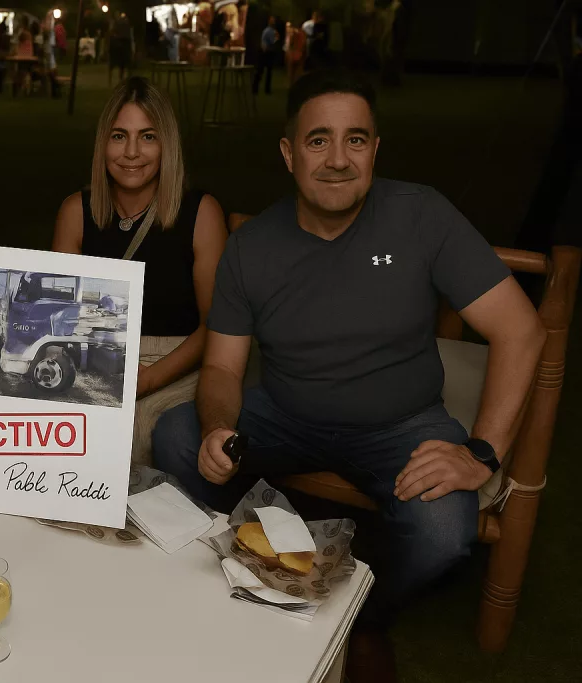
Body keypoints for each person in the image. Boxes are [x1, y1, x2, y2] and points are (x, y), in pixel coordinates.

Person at [151, 70, 546, 683]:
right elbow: (224, 367)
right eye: (318, 141)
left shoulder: (422, 215)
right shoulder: (252, 246)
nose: (338, 159)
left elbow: (521, 330)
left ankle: (362, 615)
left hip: (400, 424)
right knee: (177, 435)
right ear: (288, 153)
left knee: (444, 530)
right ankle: (257, 564)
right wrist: (218, 426)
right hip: (283, 412)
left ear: (375, 149)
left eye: (355, 140)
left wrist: (482, 453)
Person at [53, 77, 228, 465]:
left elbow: (215, 327)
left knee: (124, 439)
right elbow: (60, 315)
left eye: (147, 137)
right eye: (119, 136)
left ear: (167, 144)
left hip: (176, 363)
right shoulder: (75, 213)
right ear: (103, 144)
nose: (131, 152)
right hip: (92, 358)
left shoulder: (201, 213)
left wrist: (149, 377)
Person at [252, 15, 279, 95]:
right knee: (265, 71)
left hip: (266, 52)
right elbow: (272, 42)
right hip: (267, 52)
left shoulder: (267, 30)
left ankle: (256, 88)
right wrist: (277, 37)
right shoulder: (270, 31)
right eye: (272, 20)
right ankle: (264, 89)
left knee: (262, 71)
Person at [286, 20, 307, 85]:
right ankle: (296, 86)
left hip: (292, 54)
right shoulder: (303, 33)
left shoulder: (292, 33)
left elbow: (290, 43)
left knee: (291, 73)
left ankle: (291, 86)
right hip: (300, 54)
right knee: (298, 73)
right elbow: (304, 44)